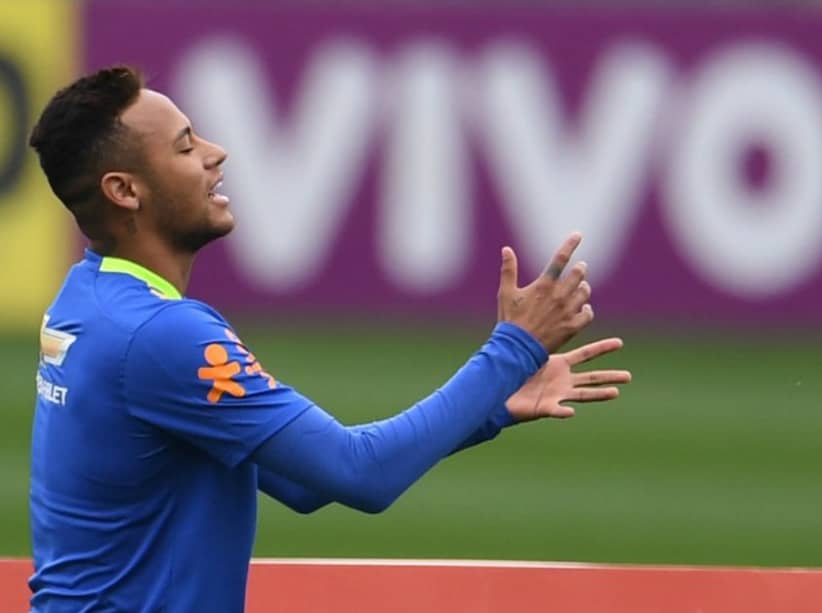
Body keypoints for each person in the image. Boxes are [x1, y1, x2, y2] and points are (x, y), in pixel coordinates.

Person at [27, 66, 631, 612]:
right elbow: (359, 474)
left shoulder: (89, 299)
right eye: (186, 146)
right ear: (125, 191)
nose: (217, 153)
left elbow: (305, 483)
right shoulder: (162, 334)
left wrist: (491, 404)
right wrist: (513, 347)